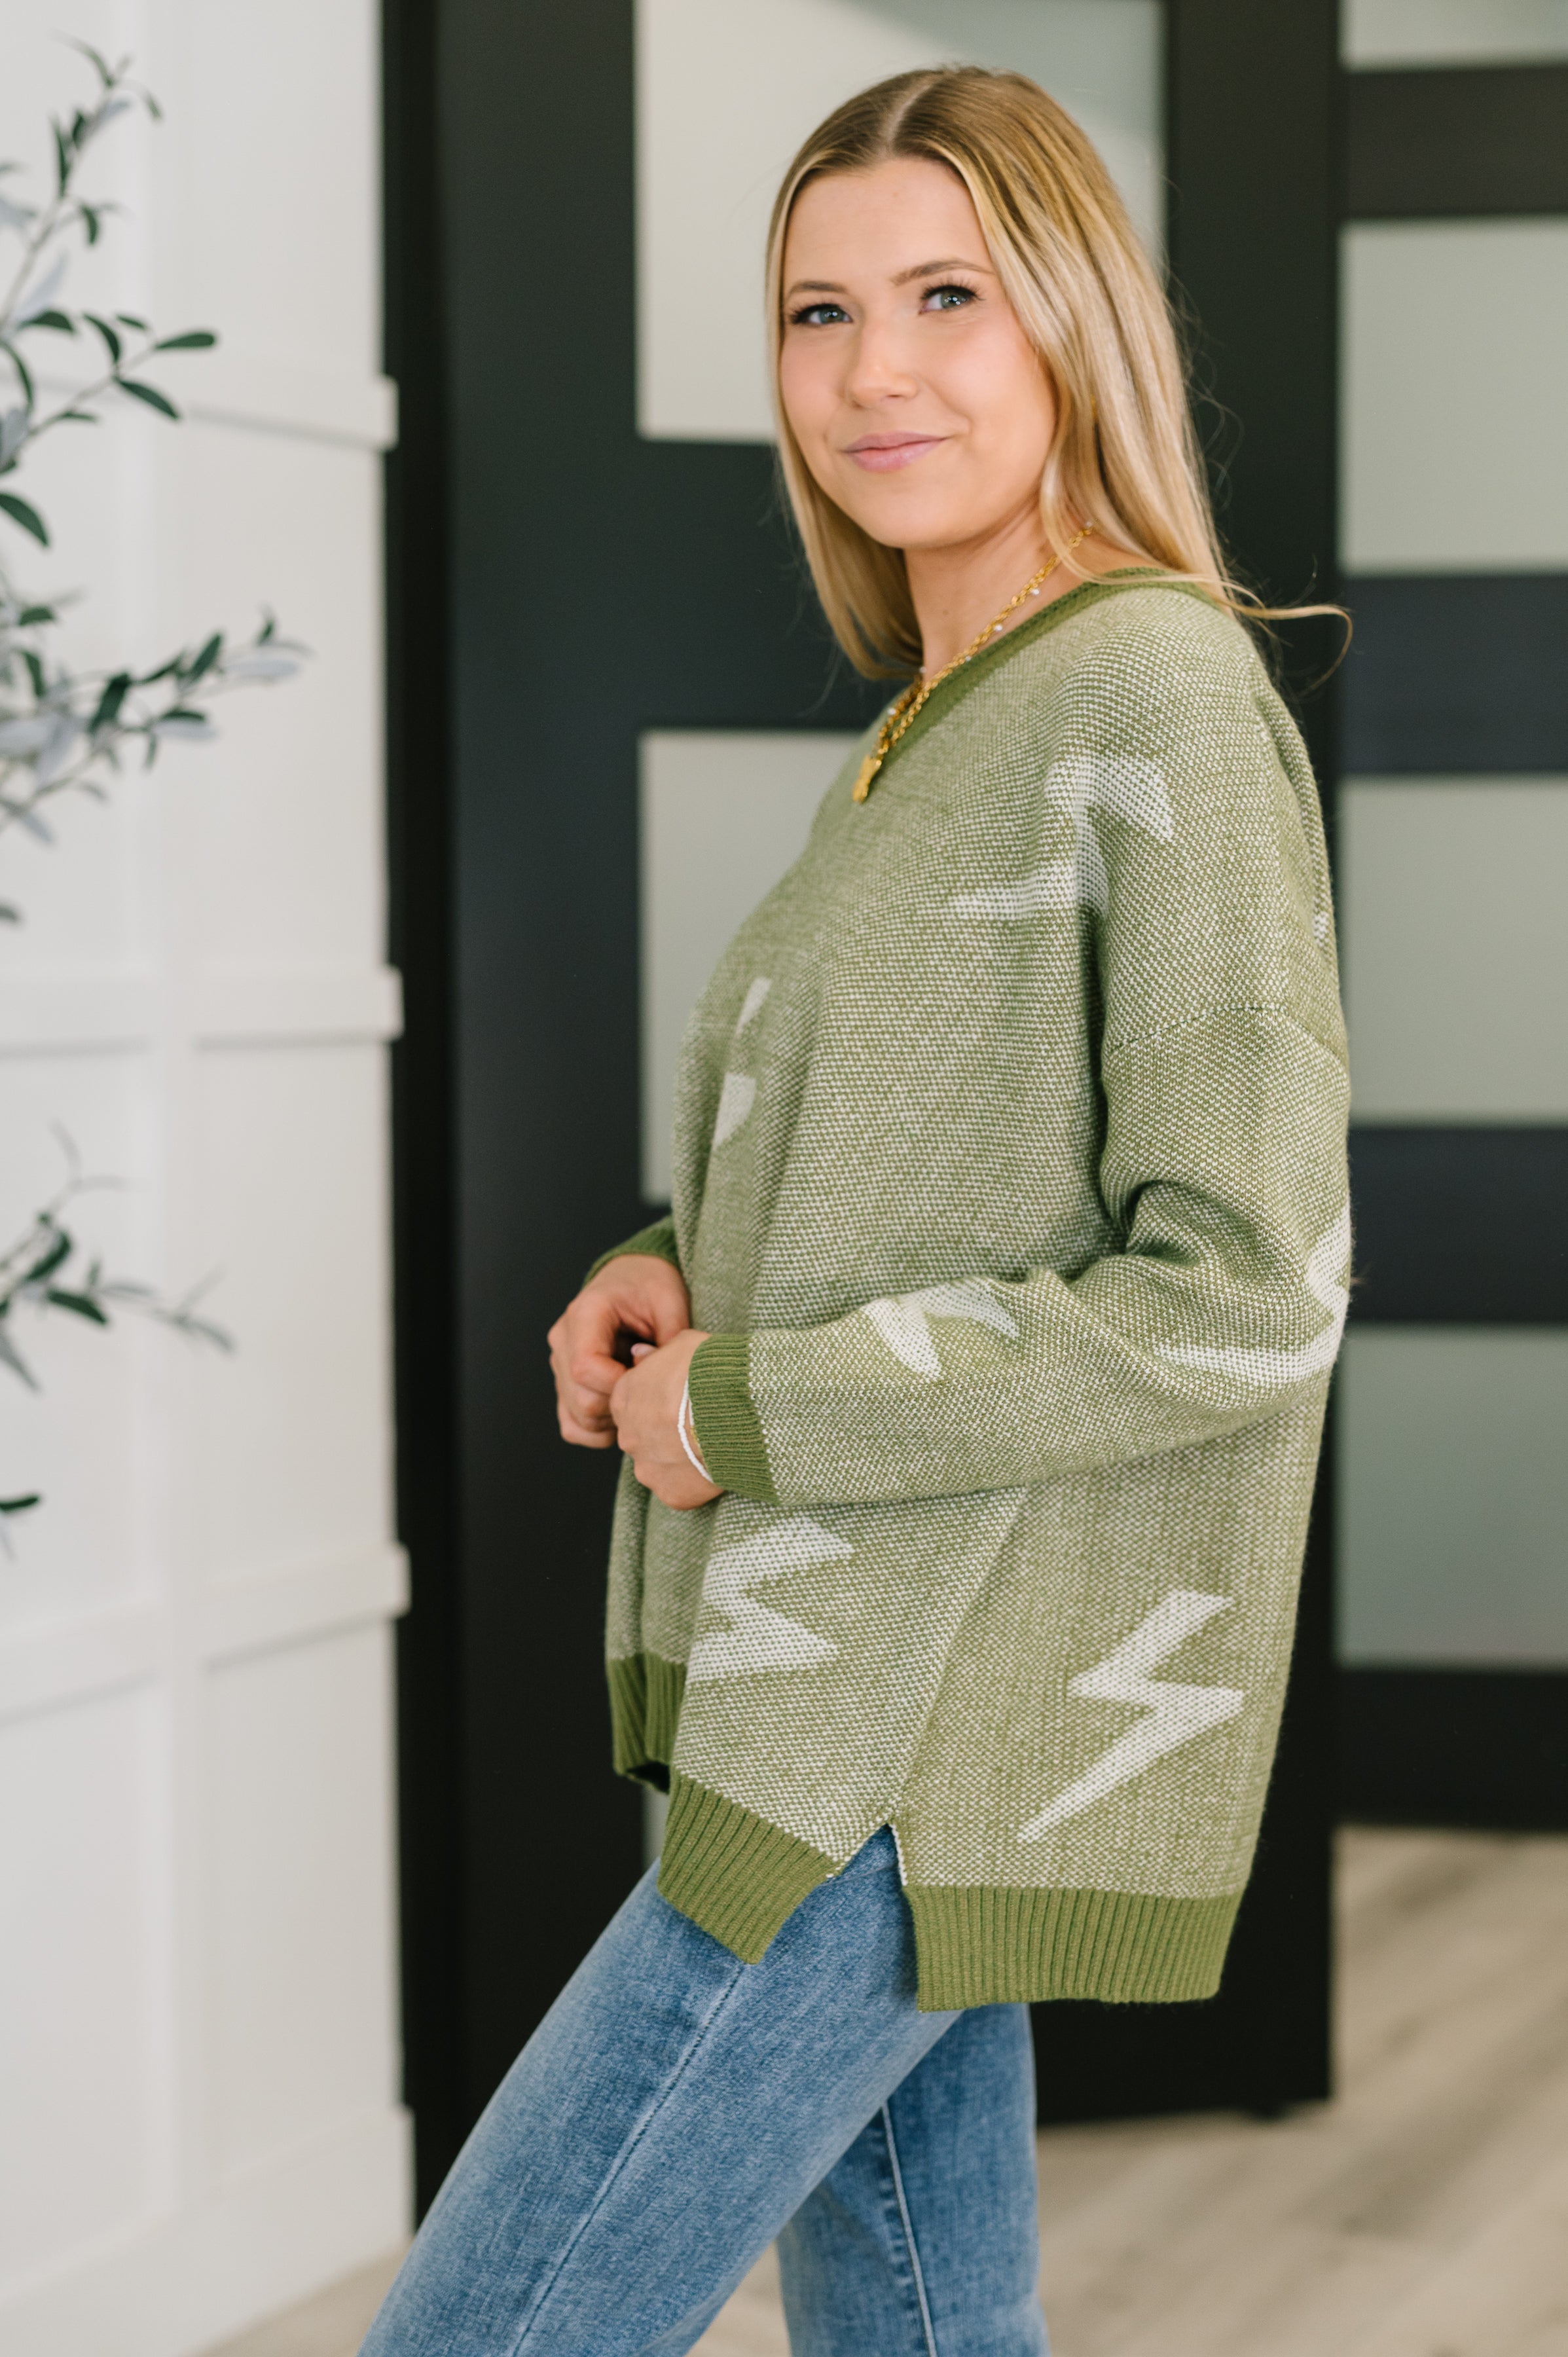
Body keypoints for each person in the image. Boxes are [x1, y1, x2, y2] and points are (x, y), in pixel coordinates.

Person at [363, 64, 1349, 2357]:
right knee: (919, 2330)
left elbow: (1243, 1284)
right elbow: (921, 1167)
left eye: (945, 296)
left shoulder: (1152, 691)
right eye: (819, 311)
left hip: (910, 1706)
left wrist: (759, 1406)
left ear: (1073, 321)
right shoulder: (937, 715)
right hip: (846, 1657)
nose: (871, 370)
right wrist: (668, 1259)